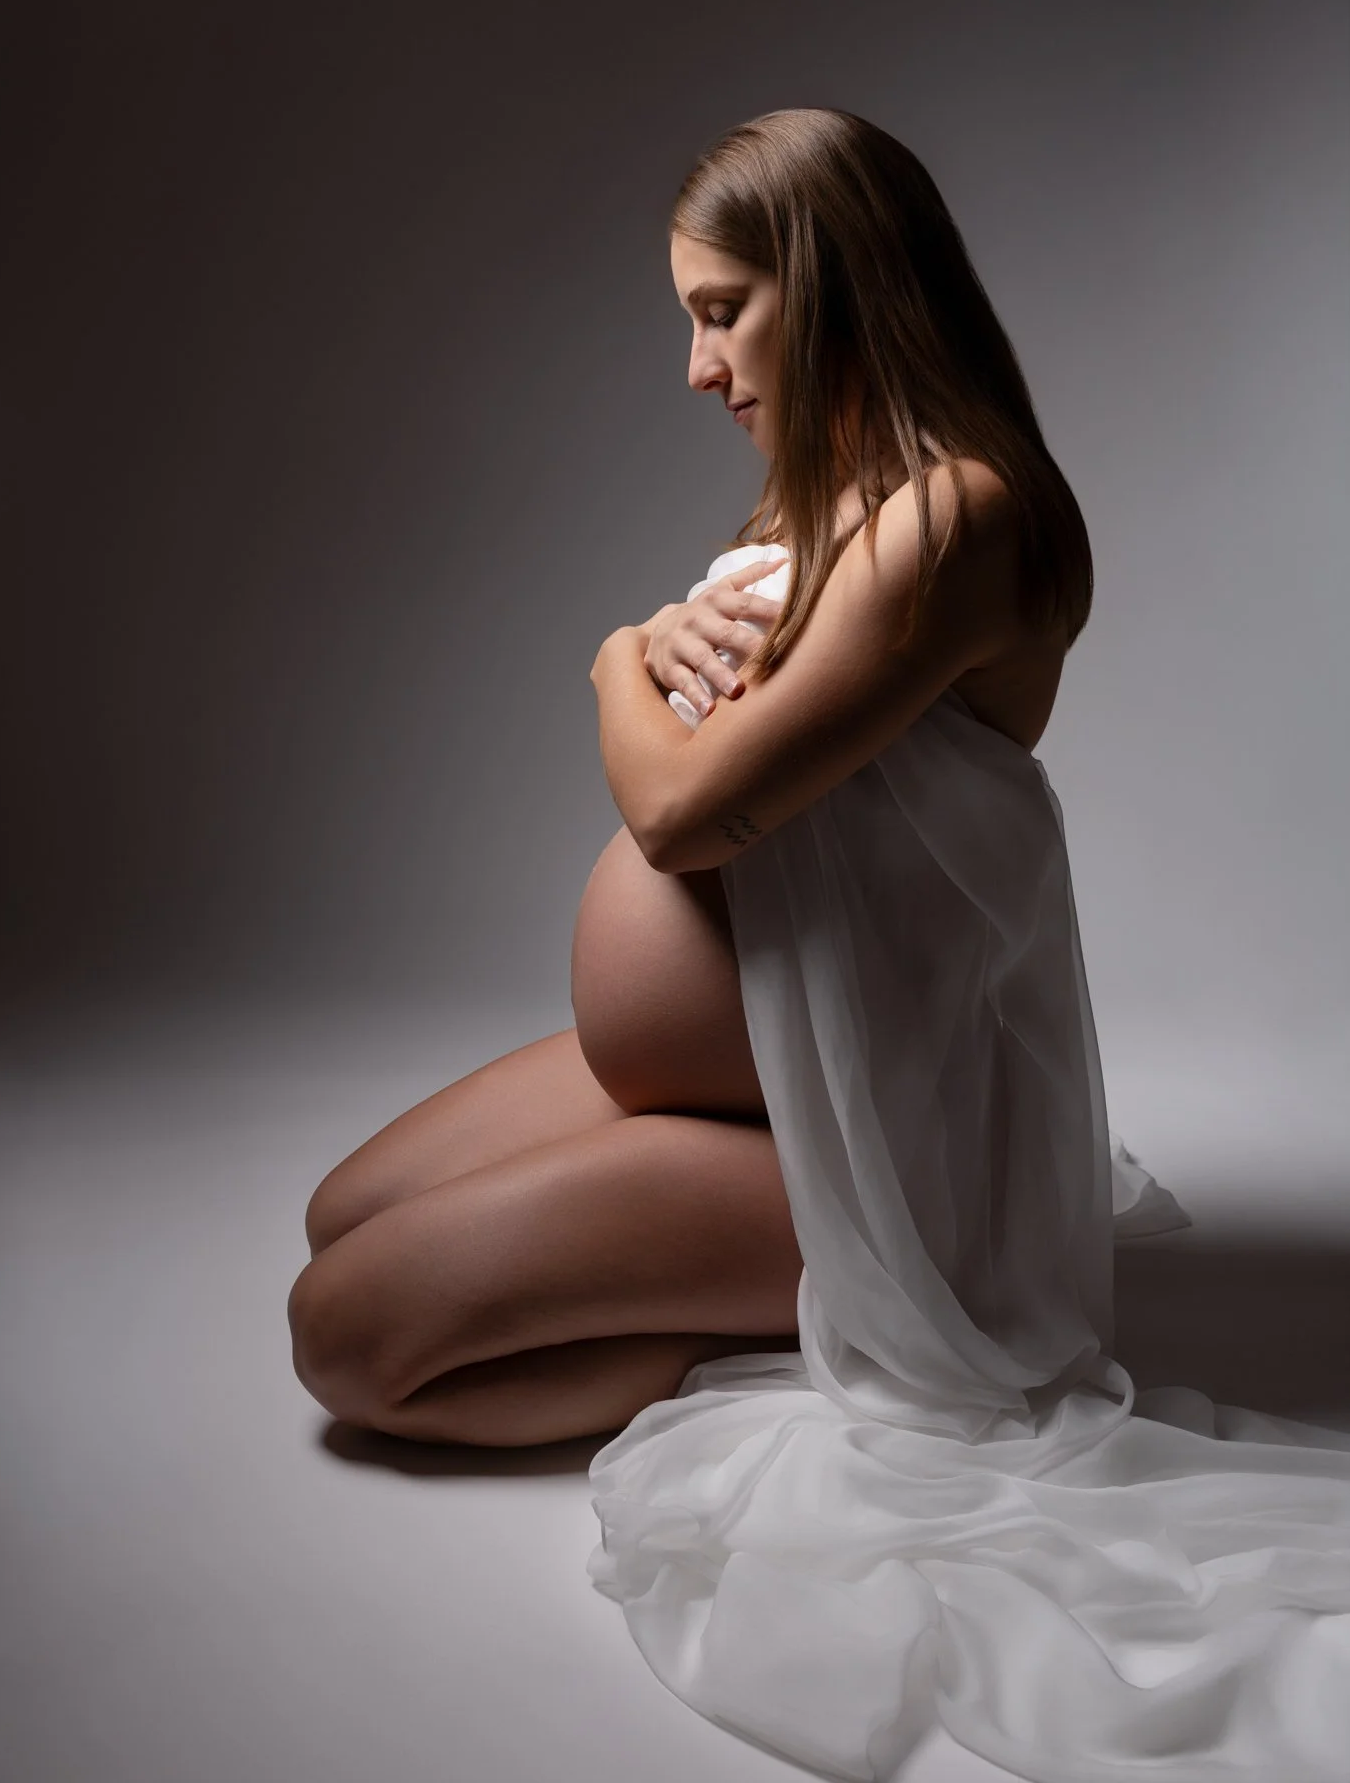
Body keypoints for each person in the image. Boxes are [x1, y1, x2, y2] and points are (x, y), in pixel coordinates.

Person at [289, 110, 1350, 1782]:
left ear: (832, 285)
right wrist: (661, 639)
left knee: (351, 1341)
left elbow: (686, 821)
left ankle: (796, 1317)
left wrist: (604, 661)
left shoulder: (959, 523)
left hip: (883, 1158)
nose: (698, 366)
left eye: (723, 311)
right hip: (769, 1074)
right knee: (341, 1210)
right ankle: (707, 1266)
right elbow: (729, 740)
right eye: (687, 316)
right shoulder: (845, 493)